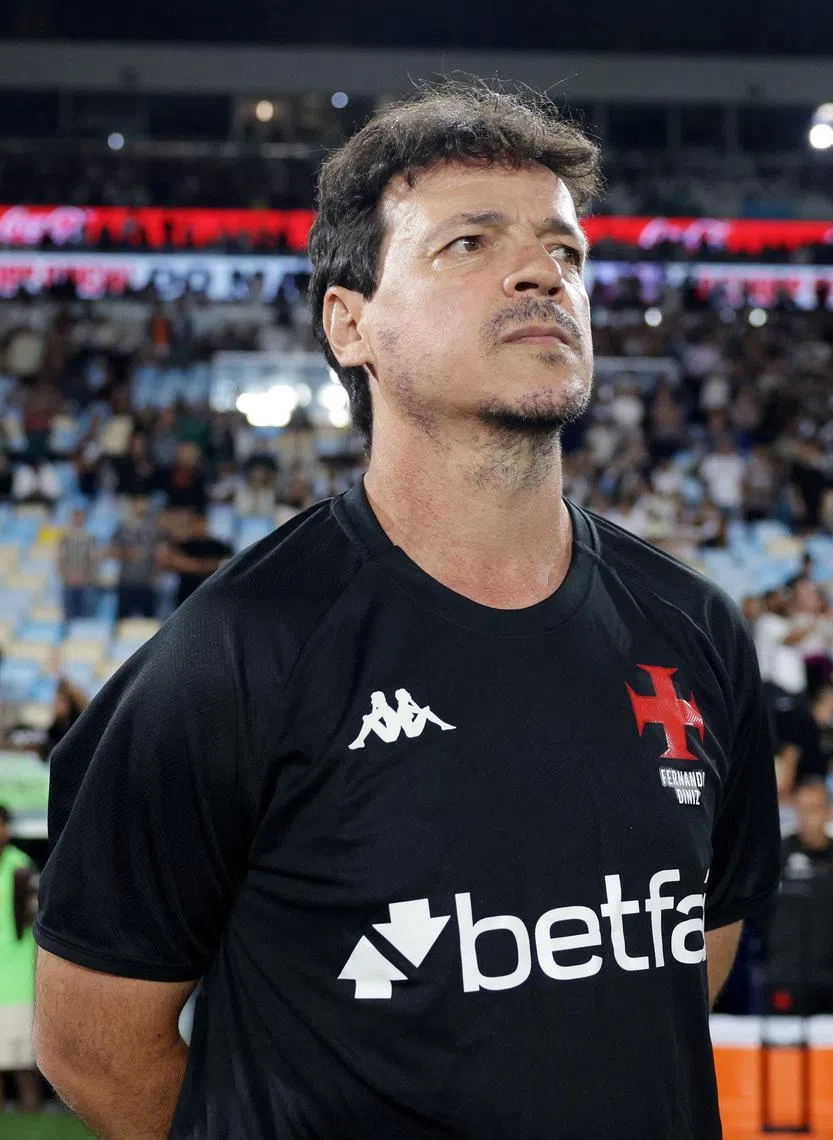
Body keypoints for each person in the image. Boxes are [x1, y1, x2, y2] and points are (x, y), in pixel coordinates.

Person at [34, 84, 780, 1140]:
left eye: (563, 251)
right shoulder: (243, 647)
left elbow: (683, 961)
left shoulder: (694, 628)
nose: (540, 274)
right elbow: (92, 1041)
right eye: (469, 244)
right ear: (351, 325)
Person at [765, 780, 833, 1018]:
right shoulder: (778, 854)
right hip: (787, 974)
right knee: (785, 1051)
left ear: (830, 813)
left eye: (814, 809)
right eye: (802, 809)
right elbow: (760, 912)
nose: (808, 817)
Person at [0, 805, 41, 1113]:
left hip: (18, 981)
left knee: (24, 1063)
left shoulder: (21, 867)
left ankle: (31, 1112)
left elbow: (37, 918)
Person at [161, 511, 234, 608]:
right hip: (186, 594)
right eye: (196, 523)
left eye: (202, 523)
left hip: (212, 592)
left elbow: (228, 563)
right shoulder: (184, 545)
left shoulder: (218, 545)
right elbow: (169, 562)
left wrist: (194, 565)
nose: (199, 526)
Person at [110, 496, 161, 621]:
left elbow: (162, 554)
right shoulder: (123, 528)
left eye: (145, 502)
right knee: (122, 620)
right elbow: (110, 550)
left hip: (147, 582)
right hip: (127, 582)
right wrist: (128, 553)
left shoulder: (154, 529)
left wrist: (157, 574)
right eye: (139, 502)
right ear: (133, 505)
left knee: (150, 622)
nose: (142, 506)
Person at [56, 507, 101, 626]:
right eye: (75, 517)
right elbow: (60, 561)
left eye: (80, 518)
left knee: (86, 620)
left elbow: (95, 561)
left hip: (86, 584)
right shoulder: (64, 539)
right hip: (69, 584)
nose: (78, 520)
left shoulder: (91, 539)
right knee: (69, 619)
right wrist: (68, 576)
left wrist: (85, 577)